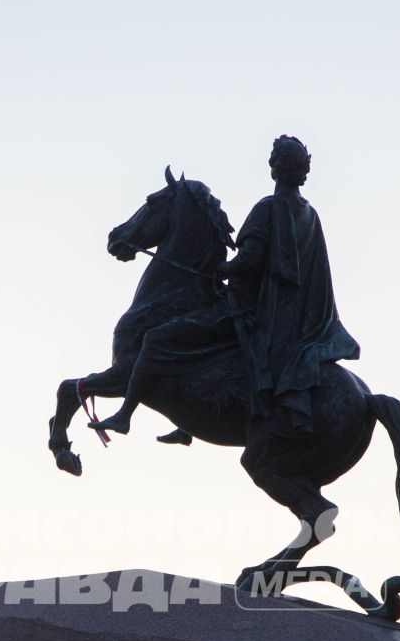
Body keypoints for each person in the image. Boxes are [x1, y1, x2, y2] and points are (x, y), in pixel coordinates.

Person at [93, 135, 357, 442]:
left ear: (274, 168)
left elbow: (251, 260)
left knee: (157, 339)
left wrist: (222, 269)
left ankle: (125, 414)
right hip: (287, 317)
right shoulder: (309, 214)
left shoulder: (268, 208)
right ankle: (185, 426)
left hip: (249, 310)